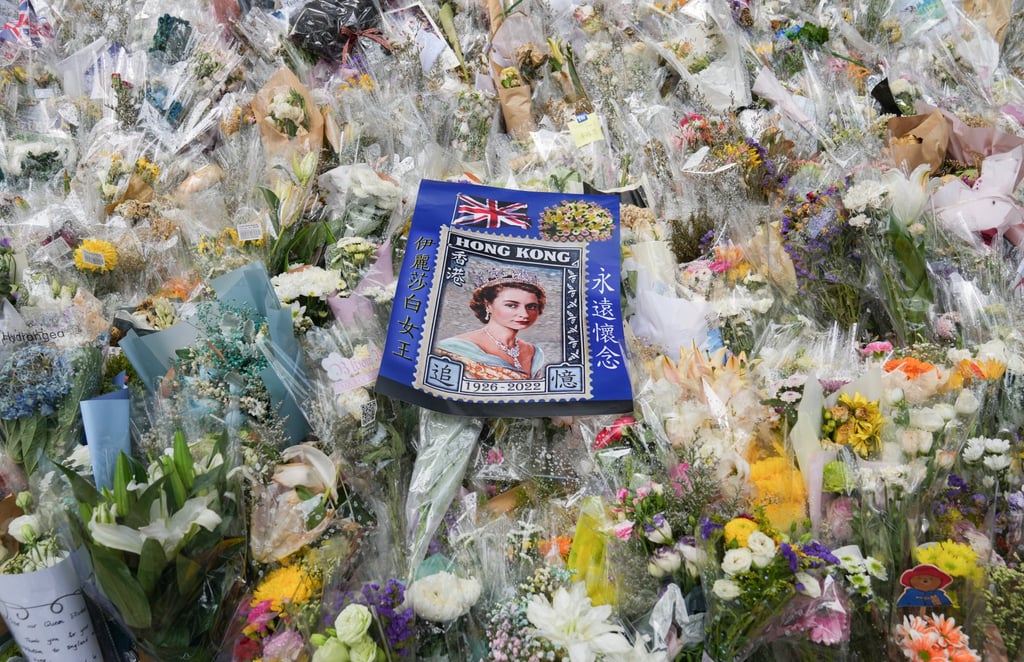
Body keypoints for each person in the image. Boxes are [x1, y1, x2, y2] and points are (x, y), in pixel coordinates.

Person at [435, 271, 547, 380]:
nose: (524, 314)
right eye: (511, 305)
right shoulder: (455, 349)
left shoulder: (534, 352)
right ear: (488, 305)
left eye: (531, 307)